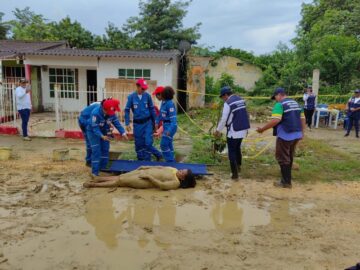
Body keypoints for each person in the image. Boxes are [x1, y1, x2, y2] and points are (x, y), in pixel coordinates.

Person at [256, 87, 305, 188]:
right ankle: (287, 178)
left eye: (275, 97)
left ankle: (286, 182)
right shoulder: (296, 103)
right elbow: (303, 119)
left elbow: (275, 120)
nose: (275, 100)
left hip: (285, 135)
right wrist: (302, 133)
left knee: (282, 157)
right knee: (290, 155)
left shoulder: (280, 105)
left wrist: (262, 129)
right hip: (296, 134)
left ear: (279, 95)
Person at [214, 86, 250, 180]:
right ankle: (238, 167)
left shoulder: (228, 103)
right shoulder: (240, 99)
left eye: (222, 97)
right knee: (237, 148)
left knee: (232, 151)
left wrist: (218, 130)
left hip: (234, 131)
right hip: (243, 129)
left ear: (226, 95)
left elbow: (224, 119)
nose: (223, 99)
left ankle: (235, 174)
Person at [87, 98, 128, 177]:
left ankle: (103, 169)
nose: (111, 114)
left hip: (105, 131)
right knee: (96, 151)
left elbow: (117, 123)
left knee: (105, 149)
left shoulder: (111, 113)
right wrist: (102, 136)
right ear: (104, 109)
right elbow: (95, 128)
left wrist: (123, 133)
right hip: (93, 132)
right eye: (108, 112)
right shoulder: (95, 113)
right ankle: (94, 172)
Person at [124, 79, 162, 161]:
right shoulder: (131, 97)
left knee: (148, 143)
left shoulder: (147, 96)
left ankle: (150, 159)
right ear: (137, 87)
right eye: (142, 88)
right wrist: (127, 123)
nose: (144, 90)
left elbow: (152, 109)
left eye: (145, 89)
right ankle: (140, 160)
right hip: (137, 124)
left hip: (147, 123)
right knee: (139, 144)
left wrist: (155, 122)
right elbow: (126, 110)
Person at [83, 166, 196, 190]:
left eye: (183, 173)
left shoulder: (175, 183)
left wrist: (149, 177)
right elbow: (160, 167)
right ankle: (98, 178)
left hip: (144, 181)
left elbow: (161, 186)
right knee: (121, 176)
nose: (180, 171)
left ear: (183, 179)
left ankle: (94, 185)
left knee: (120, 181)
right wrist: (146, 167)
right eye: (182, 169)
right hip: (143, 171)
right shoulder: (174, 169)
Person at [155, 86, 177, 162]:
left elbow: (173, 120)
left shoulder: (170, 104)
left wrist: (169, 130)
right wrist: (157, 122)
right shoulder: (163, 103)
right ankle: (172, 160)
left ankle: (170, 162)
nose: (157, 97)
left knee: (163, 145)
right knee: (169, 144)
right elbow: (160, 114)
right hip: (165, 126)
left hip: (170, 127)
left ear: (163, 95)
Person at [78, 101, 102, 166]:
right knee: (90, 141)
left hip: (88, 119)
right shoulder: (98, 108)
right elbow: (93, 122)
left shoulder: (100, 106)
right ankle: (89, 161)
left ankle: (92, 159)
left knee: (95, 140)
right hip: (84, 120)